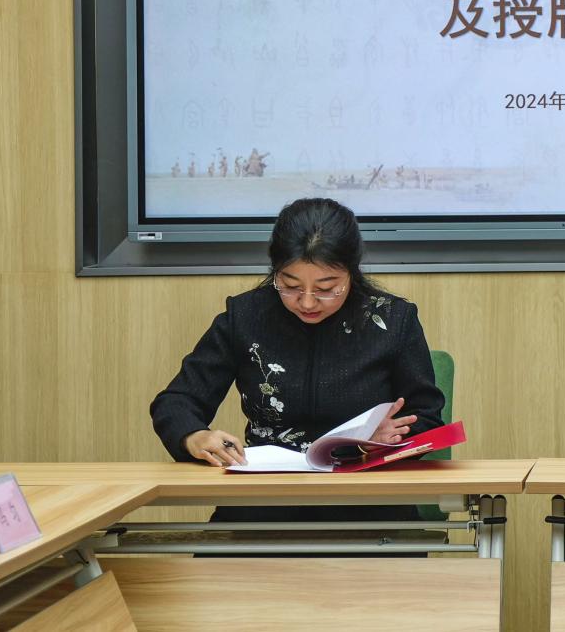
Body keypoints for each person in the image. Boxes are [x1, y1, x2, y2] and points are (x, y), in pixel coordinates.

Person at [150, 197, 445, 528]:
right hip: (263, 505)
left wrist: (379, 444)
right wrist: (194, 437)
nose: (307, 302)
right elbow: (176, 402)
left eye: (326, 288)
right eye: (290, 286)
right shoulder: (245, 318)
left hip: (368, 506)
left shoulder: (393, 320)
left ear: (351, 272)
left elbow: (427, 418)